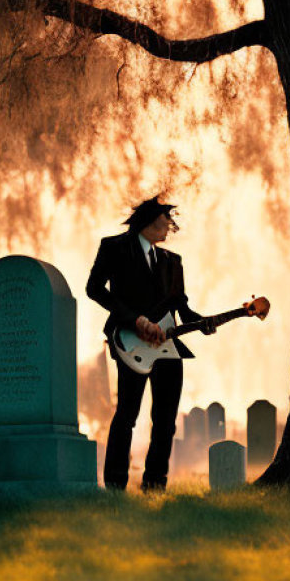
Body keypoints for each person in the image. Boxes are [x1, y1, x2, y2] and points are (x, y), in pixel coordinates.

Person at [86, 196, 213, 491]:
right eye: (164, 221)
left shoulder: (172, 261)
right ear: (148, 222)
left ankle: (155, 483)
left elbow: (182, 307)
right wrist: (135, 321)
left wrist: (203, 322)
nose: (169, 226)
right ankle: (115, 483)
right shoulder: (114, 247)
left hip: (168, 347)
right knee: (127, 415)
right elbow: (94, 288)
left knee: (166, 421)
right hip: (130, 343)